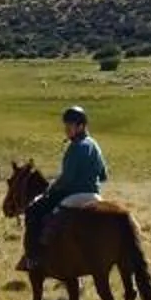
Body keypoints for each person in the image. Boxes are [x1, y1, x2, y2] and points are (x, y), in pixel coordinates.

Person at [22, 105, 107, 264]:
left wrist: (51, 188)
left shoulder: (75, 147)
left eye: (70, 125)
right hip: (95, 195)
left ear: (80, 126)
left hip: (74, 195)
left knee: (34, 210)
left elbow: (67, 179)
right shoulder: (95, 145)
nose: (66, 129)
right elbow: (103, 176)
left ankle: (33, 256)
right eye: (66, 125)